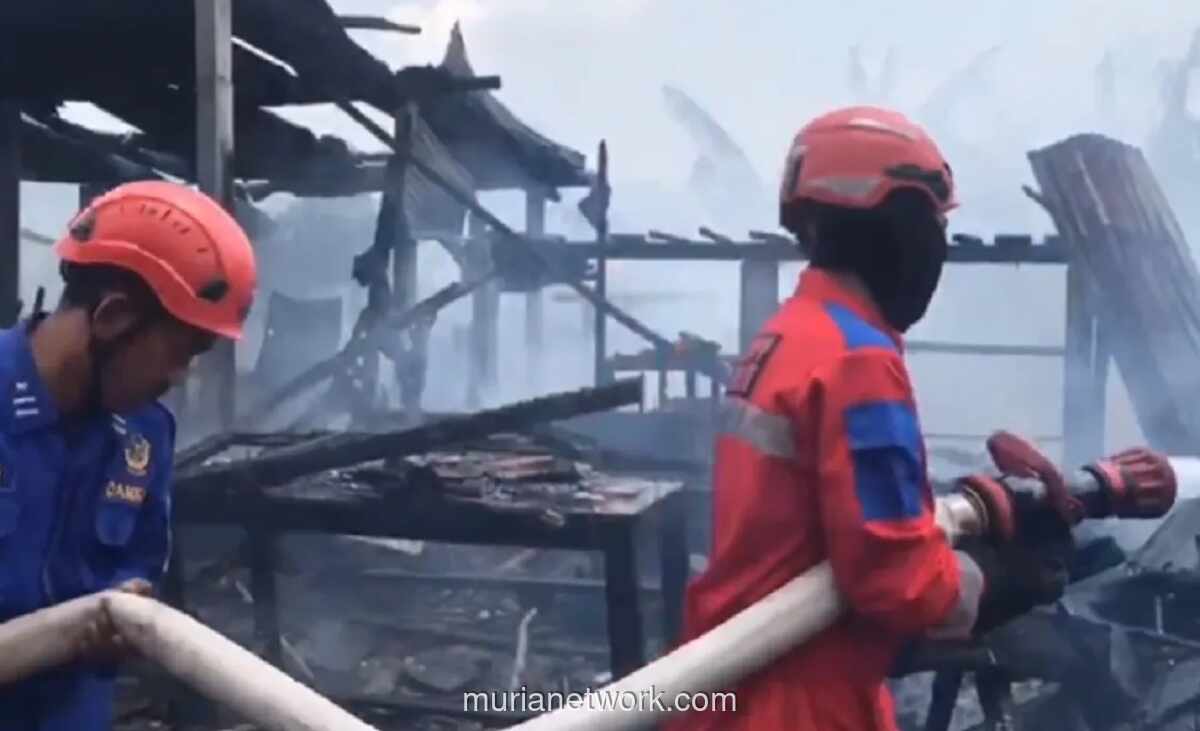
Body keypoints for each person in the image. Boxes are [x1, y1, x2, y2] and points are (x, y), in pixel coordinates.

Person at [664, 107, 1064, 730]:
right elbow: (894, 581)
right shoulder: (857, 361)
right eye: (933, 224)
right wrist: (1001, 578)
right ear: (894, 223)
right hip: (800, 704)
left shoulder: (787, 336)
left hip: (725, 685)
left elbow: (826, 514)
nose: (937, 248)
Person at [0, 180, 257, 730]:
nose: (179, 378)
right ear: (112, 317)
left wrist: (126, 603)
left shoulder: (145, 434)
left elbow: (139, 559)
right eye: (183, 352)